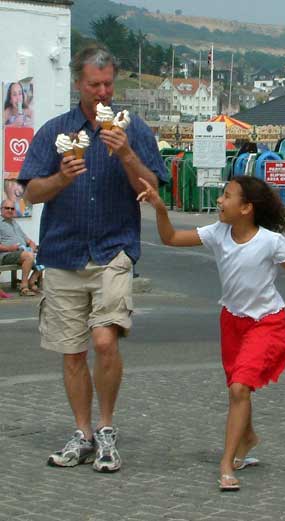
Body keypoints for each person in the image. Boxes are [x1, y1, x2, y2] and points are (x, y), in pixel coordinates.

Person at [18, 45, 168, 472]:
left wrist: (124, 153)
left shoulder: (131, 128)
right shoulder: (54, 131)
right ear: (77, 83)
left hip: (113, 248)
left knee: (104, 340)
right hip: (64, 250)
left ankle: (105, 428)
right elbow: (31, 192)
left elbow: (153, 185)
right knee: (71, 353)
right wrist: (60, 178)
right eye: (93, 84)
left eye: (108, 83)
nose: (102, 93)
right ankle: (82, 433)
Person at [137, 175, 285, 492]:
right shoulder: (217, 233)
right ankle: (248, 436)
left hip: (266, 322)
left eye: (227, 196)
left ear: (246, 208)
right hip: (232, 322)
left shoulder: (270, 241)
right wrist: (159, 207)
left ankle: (227, 463)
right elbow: (170, 237)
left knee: (239, 388)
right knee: (240, 387)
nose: (220, 201)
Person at [0, 199, 42, 296]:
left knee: (45, 255)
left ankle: (31, 282)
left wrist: (31, 245)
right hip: (6, 255)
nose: (10, 210)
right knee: (28, 256)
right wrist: (9, 248)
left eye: (12, 208)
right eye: (7, 208)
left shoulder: (15, 223)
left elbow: (28, 240)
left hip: (21, 253)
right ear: (1, 209)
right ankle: (24, 287)